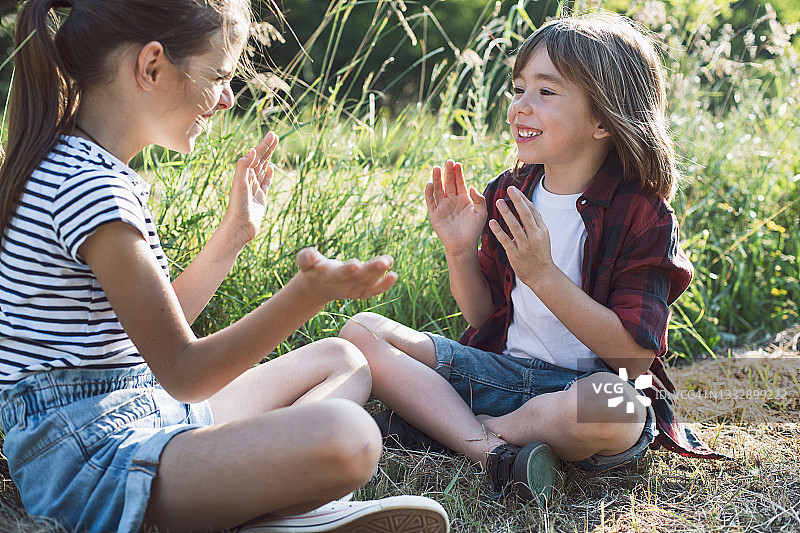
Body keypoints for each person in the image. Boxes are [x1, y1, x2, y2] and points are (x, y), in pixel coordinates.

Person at [0, 1, 452, 532]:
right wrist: (305, 295)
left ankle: (260, 506)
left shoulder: (83, 168)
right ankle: (275, 508)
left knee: (343, 360)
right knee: (348, 437)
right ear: (151, 66)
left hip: (147, 411)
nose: (228, 97)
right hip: (94, 462)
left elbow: (151, 337)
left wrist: (235, 234)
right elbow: (184, 372)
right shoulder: (89, 188)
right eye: (218, 76)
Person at [339, 12, 723, 504]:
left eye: (546, 91)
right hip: (501, 374)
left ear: (603, 119)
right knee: (362, 331)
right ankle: (491, 451)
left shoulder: (642, 215)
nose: (521, 105)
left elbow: (633, 357)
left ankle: (461, 429)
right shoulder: (511, 193)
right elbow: (482, 316)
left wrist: (542, 274)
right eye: (519, 89)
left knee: (619, 409)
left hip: (585, 392)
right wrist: (460, 251)